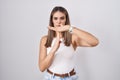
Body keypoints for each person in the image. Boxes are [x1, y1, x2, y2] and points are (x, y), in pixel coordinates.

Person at [38, 6, 99, 80]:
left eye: (62, 18)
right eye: (55, 18)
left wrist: (69, 28)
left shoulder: (72, 38)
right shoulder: (45, 39)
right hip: (51, 78)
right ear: (52, 20)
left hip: (71, 77)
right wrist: (53, 50)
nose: (59, 21)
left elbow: (95, 42)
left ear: (66, 20)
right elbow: (42, 68)